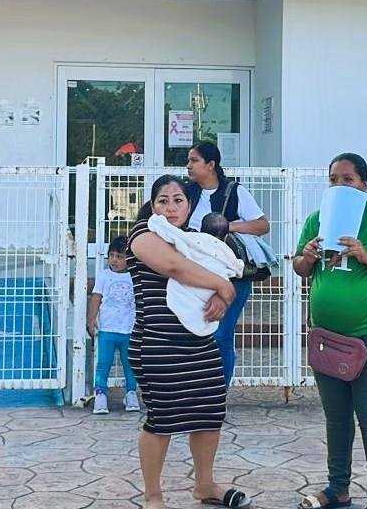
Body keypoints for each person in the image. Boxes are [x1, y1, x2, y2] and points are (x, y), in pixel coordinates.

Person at [293, 153, 367, 509]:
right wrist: (308, 255)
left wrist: (365, 255)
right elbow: (301, 268)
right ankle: (338, 488)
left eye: (347, 179)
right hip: (326, 339)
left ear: (363, 184)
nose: (340, 185)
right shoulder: (317, 219)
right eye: (334, 179)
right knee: (336, 418)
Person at [126, 175, 252, 509]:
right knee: (163, 418)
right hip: (157, 343)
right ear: (152, 205)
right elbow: (173, 266)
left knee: (210, 412)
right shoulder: (142, 234)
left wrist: (222, 298)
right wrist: (224, 288)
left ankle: (205, 485)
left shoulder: (195, 240)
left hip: (198, 341)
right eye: (163, 200)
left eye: (178, 200)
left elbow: (220, 275)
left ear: (189, 204)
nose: (171, 207)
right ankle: (153, 496)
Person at [184, 142, 270, 386]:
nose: (188, 166)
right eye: (188, 160)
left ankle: (218, 392)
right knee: (194, 334)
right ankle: (196, 389)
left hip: (232, 277)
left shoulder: (234, 191)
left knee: (221, 335)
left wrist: (227, 226)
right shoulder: (187, 193)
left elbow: (262, 225)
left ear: (211, 165)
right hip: (195, 274)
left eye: (194, 160)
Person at [89, 235, 140, 414]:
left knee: (130, 364)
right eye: (111, 255)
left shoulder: (135, 277)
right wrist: (91, 320)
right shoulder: (104, 275)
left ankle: (131, 393)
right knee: (103, 363)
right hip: (107, 331)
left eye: (119, 256)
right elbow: (96, 298)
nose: (114, 260)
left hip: (129, 330)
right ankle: (100, 394)